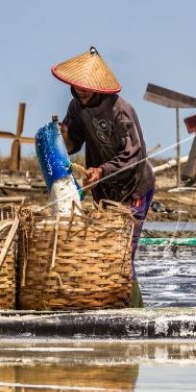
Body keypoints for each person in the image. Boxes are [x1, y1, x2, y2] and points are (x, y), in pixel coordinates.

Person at [52, 46, 155, 308]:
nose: (81, 91)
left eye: (86, 87)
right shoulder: (76, 107)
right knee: (109, 252)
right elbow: (74, 143)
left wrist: (102, 171)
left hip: (135, 189)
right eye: (78, 86)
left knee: (124, 254)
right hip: (104, 192)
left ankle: (135, 311)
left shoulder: (121, 111)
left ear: (98, 87)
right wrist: (65, 137)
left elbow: (133, 156)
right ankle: (115, 305)